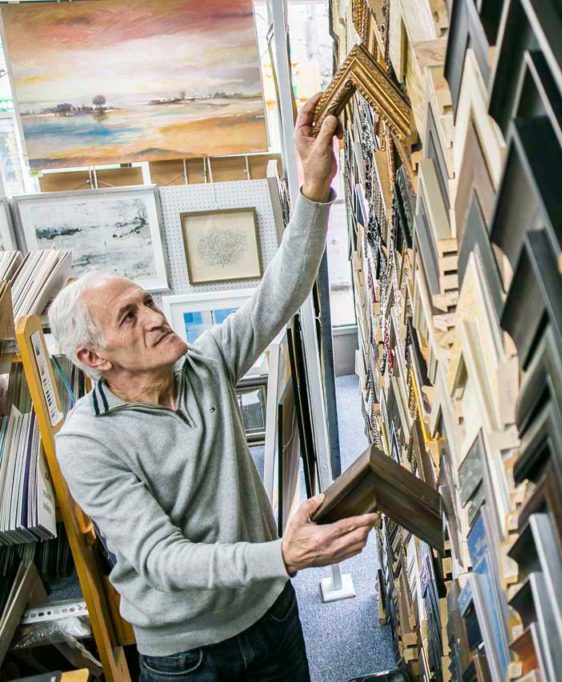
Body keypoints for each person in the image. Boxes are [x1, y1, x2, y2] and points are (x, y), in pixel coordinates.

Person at [49, 94, 376, 681]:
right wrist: (281, 554)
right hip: (188, 657)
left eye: (149, 301)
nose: (155, 317)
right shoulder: (87, 442)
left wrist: (314, 185)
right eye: (129, 316)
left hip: (272, 613)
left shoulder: (205, 365)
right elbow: (161, 558)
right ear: (93, 358)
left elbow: (279, 293)